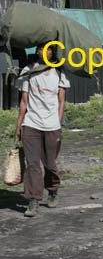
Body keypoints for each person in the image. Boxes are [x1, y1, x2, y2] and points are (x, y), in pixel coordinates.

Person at [14, 41, 70, 217]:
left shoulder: (59, 73)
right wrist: (18, 127)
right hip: (31, 123)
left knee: (50, 164)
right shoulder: (28, 72)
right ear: (37, 51)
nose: (44, 52)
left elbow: (61, 102)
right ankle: (33, 200)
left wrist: (58, 122)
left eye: (48, 50)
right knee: (32, 164)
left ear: (53, 53)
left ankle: (52, 190)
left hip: (52, 125)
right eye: (41, 49)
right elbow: (24, 102)